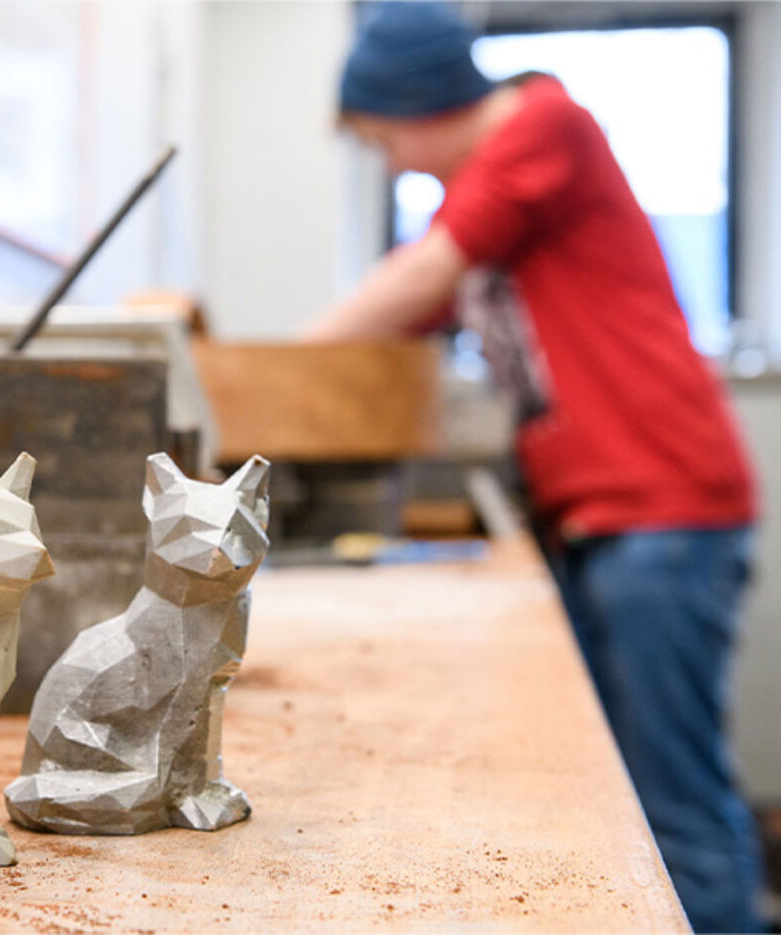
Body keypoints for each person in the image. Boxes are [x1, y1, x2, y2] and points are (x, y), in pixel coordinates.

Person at [304, 4, 765, 932]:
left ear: (420, 101)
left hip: (658, 507)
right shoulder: (481, 192)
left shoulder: (542, 124)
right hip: (608, 518)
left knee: (668, 796)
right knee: (624, 792)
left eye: (384, 138)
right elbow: (414, 308)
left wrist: (276, 369)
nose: (393, 162)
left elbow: (413, 281)